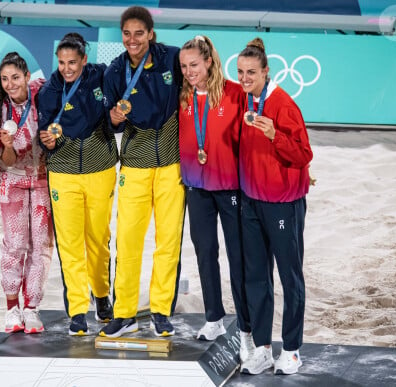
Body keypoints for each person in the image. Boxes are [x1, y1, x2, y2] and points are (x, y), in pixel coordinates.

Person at [100, 6, 185, 338]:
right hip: (134, 163)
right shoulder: (114, 71)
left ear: (151, 33)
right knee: (129, 242)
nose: (132, 40)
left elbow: (200, 73)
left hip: (171, 164)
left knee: (168, 242)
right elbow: (106, 121)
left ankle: (161, 311)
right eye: (126, 33)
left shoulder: (172, 59)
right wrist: (114, 119)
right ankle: (125, 313)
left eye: (139, 33)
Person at [236, 37, 313, 375]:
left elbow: (303, 154)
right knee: (256, 277)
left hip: (282, 204)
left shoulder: (284, 104)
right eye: (240, 72)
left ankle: (292, 350)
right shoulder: (243, 100)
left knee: (289, 276)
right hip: (252, 203)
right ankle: (264, 348)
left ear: (267, 72)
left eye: (251, 73)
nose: (244, 79)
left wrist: (274, 136)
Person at [177, 35, 254, 360]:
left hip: (231, 188)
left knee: (238, 258)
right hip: (196, 186)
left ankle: (248, 329)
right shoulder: (182, 97)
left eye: (194, 65)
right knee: (205, 253)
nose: (189, 72)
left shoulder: (236, 93)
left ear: (209, 61)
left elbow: (251, 140)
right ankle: (214, 318)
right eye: (183, 66)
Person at [37, 33, 118, 336]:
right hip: (64, 173)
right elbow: (44, 135)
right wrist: (46, 141)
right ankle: (77, 309)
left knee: (98, 240)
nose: (67, 68)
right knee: (70, 245)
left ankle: (101, 295)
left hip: (101, 170)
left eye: (73, 62)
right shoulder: (48, 92)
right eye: (61, 63)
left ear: (85, 60)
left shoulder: (101, 76)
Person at [0, 52, 54, 335]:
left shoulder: (44, 91)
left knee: (41, 247)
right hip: (12, 180)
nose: (10, 84)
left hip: (43, 181)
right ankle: (11, 309)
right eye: (4, 79)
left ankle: (32, 309)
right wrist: (6, 144)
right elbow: (7, 160)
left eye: (15, 77)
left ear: (27, 77)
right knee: (14, 246)